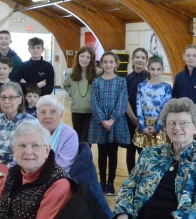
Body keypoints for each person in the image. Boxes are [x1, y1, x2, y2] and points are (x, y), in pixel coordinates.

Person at [89, 51, 129, 196]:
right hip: (100, 122)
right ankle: (102, 182)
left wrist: (112, 120)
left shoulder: (121, 81)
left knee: (113, 153)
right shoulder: (96, 82)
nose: (108, 65)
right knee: (101, 153)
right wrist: (102, 120)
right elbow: (94, 102)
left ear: (116, 64)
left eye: (111, 62)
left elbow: (122, 102)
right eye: (105, 62)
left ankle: (111, 182)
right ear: (101, 63)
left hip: (116, 122)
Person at [0, 82, 35, 166]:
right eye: (3, 97)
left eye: (11, 97)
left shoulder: (31, 124)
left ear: (20, 100)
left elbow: (31, 157)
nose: (6, 101)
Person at [134, 56, 172, 161]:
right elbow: (139, 106)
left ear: (162, 70)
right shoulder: (142, 86)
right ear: (148, 69)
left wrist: (157, 126)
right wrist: (142, 126)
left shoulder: (166, 88)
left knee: (159, 159)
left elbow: (166, 109)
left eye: (158, 69)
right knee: (144, 159)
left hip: (159, 127)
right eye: (152, 69)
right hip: (144, 125)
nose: (155, 72)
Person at [63, 46, 101, 143]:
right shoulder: (71, 73)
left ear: (91, 59)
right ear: (78, 57)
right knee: (78, 137)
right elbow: (66, 85)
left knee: (87, 139)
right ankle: (78, 157)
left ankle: (85, 157)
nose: (84, 59)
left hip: (91, 111)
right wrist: (73, 94)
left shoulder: (98, 73)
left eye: (88, 57)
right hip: (77, 110)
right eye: (82, 56)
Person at [35, 95, 79, 173]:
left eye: (53, 112)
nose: (47, 116)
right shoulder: (30, 132)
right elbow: (18, 160)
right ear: (37, 115)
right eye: (43, 112)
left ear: (61, 114)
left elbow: (62, 168)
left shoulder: (69, 135)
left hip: (55, 179)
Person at [124, 48, 150, 175]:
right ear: (133, 60)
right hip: (130, 120)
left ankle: (144, 176)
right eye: (137, 57)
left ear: (147, 60)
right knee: (130, 149)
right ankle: (131, 177)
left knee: (144, 150)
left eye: (143, 58)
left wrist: (144, 121)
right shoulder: (127, 79)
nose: (140, 60)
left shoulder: (150, 77)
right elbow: (125, 100)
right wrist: (134, 119)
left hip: (147, 121)